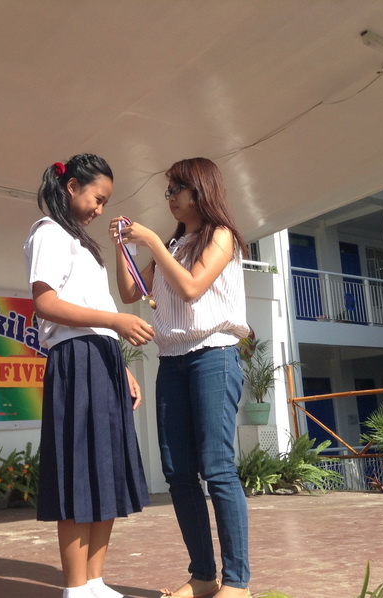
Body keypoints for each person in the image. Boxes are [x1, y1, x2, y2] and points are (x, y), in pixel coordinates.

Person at [109, 157, 251, 598]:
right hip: (172, 360)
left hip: (214, 356)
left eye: (176, 190)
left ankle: (238, 582)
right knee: (178, 472)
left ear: (200, 191)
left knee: (218, 468)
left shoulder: (221, 236)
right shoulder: (172, 245)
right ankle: (204, 576)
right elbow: (131, 291)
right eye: (168, 191)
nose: (170, 198)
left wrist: (150, 239)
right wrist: (123, 246)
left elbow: (192, 287)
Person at [23, 154, 155, 598]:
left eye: (105, 203)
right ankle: (75, 587)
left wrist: (120, 366)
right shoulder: (49, 232)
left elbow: (95, 315)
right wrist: (117, 322)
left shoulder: (83, 244)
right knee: (79, 469)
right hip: (74, 358)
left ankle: (95, 581)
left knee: (106, 467)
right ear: (73, 186)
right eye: (97, 199)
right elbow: (46, 304)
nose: (100, 209)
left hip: (101, 360)